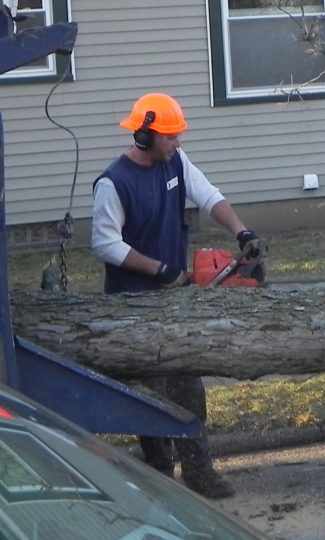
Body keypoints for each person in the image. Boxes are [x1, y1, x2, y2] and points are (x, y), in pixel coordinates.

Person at [91, 92, 261, 499]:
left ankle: (200, 473)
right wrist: (158, 269)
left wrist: (242, 232)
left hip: (176, 300)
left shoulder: (176, 163)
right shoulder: (113, 183)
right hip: (133, 303)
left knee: (188, 387)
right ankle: (160, 479)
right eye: (170, 137)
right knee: (150, 399)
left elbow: (209, 196)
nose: (177, 143)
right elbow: (104, 243)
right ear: (145, 136)